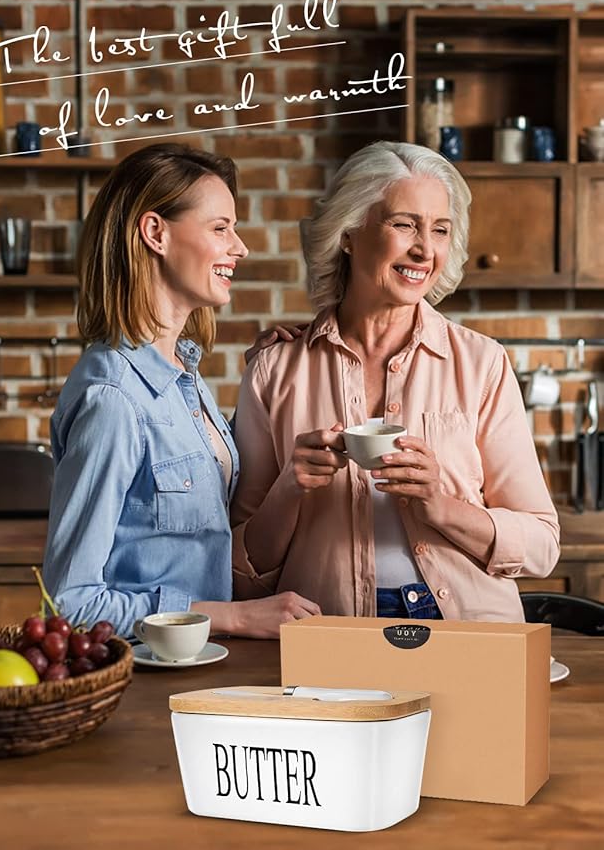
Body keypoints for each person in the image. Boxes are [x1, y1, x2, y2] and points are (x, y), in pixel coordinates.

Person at [230, 140, 560, 622]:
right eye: (404, 224)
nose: (425, 249)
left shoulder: (482, 364)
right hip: (330, 627)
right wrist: (289, 488)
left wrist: (440, 506)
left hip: (469, 627)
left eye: (440, 229)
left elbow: (542, 545)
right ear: (348, 232)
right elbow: (241, 573)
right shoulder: (275, 370)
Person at [42, 143, 320, 639]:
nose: (240, 247)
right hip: (144, 671)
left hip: (197, 663)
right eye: (221, 228)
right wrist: (234, 616)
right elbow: (71, 607)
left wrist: (262, 377)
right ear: (156, 233)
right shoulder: (113, 398)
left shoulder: (183, 376)